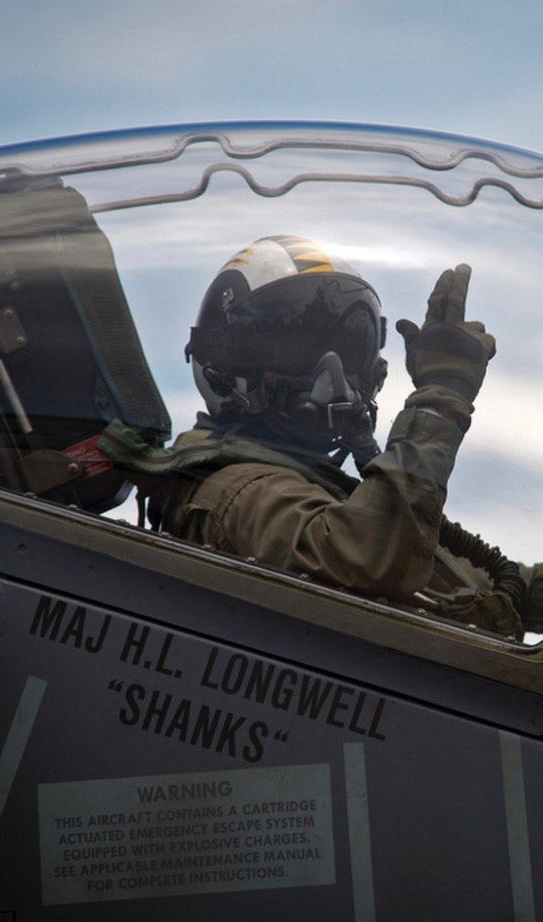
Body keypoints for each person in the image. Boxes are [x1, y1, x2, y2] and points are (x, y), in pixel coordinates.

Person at [99, 235, 541, 639]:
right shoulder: (232, 492)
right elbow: (363, 557)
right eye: (294, 348)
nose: (332, 373)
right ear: (225, 363)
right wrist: (438, 404)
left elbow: (472, 581)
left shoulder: (325, 492)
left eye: (350, 349)